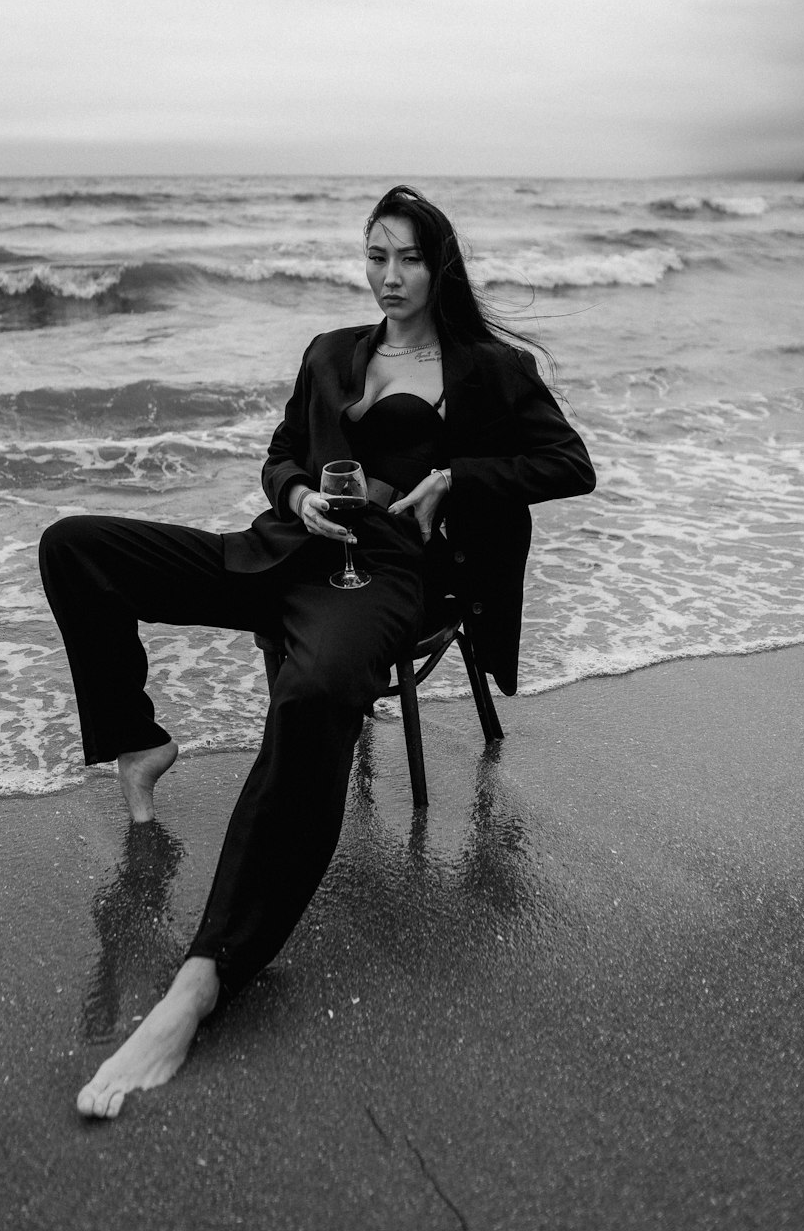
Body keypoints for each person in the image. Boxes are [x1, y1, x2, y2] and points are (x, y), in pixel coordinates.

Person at [39, 184, 596, 1119]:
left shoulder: (489, 369)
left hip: (383, 575)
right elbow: (281, 451)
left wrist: (459, 476)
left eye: (408, 258)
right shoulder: (333, 353)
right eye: (375, 256)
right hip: (286, 550)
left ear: (440, 264)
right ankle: (137, 739)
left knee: (316, 692)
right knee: (75, 547)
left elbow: (569, 464)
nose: (388, 276)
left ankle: (207, 978)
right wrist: (295, 493)